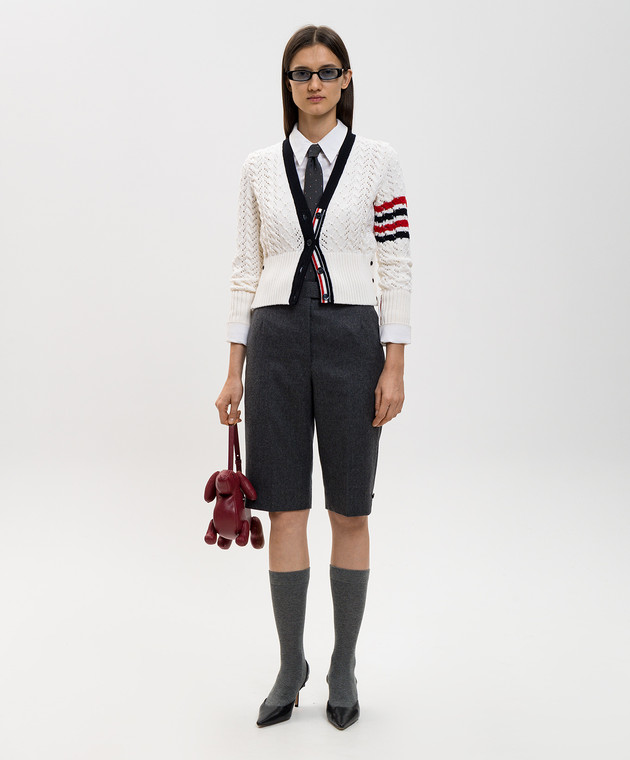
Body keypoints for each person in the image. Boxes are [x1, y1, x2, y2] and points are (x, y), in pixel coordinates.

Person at [215, 23, 412, 730]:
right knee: (286, 509)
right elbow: (245, 268)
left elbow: (396, 261)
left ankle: (343, 664)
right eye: (302, 72)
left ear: (346, 79)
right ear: (288, 83)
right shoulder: (259, 167)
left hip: (352, 340)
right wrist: (233, 371)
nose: (316, 83)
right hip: (273, 342)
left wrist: (394, 362)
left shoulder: (378, 161)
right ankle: (289, 663)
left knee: (351, 509)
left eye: (328, 71)